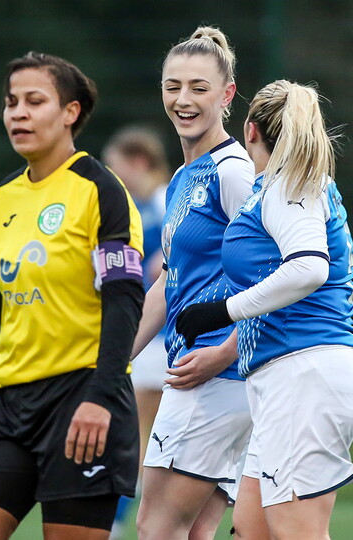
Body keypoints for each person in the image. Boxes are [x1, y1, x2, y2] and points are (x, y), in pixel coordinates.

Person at [0, 52, 145, 540]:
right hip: (7, 409)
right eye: (11, 103)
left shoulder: (101, 191)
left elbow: (125, 303)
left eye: (34, 101)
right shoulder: (3, 198)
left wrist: (101, 397)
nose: (18, 113)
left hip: (81, 401)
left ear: (69, 112)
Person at [175, 80, 353, 540]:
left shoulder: (287, 185)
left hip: (305, 375)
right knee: (252, 528)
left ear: (250, 130)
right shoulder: (284, 186)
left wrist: (223, 311)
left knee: (295, 531)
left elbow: (308, 269)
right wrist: (227, 347)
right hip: (283, 378)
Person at [131, 26, 256, 540]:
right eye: (172, 86)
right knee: (193, 530)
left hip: (216, 378)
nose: (182, 100)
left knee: (156, 527)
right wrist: (114, 353)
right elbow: (169, 282)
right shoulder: (185, 177)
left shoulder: (234, 173)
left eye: (199, 88)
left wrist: (226, 352)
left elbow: (278, 279)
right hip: (199, 373)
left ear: (227, 95)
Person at [101, 125, 172, 539]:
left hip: (162, 338)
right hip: (146, 336)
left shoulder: (167, 200)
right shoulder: (135, 205)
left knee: (138, 437)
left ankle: (120, 523)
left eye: (116, 166)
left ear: (139, 162)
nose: (111, 174)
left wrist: (167, 255)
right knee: (142, 437)